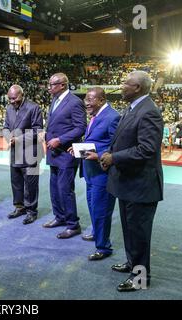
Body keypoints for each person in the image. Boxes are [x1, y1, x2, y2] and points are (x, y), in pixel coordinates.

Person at [100, 71, 163, 292]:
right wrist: (109, 153)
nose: (121, 86)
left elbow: (147, 149)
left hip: (141, 185)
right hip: (128, 183)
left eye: (125, 83)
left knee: (139, 233)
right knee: (129, 229)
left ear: (137, 87)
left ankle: (140, 278)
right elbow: (120, 140)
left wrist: (114, 158)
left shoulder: (149, 112)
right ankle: (131, 263)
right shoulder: (132, 107)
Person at [70, 87, 120, 260]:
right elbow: (96, 140)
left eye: (90, 99)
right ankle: (98, 234)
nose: (86, 103)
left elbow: (117, 147)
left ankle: (104, 248)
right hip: (91, 173)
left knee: (101, 211)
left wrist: (99, 155)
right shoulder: (96, 115)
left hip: (102, 174)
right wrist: (78, 149)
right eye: (86, 99)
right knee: (93, 208)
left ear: (101, 99)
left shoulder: (113, 117)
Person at [42, 73, 87, 238]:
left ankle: (73, 224)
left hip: (67, 153)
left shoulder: (75, 102)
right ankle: (59, 217)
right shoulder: (55, 100)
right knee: (54, 188)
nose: (49, 87)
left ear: (62, 85)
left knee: (65, 189)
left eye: (52, 84)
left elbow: (80, 127)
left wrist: (60, 140)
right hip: (54, 152)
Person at [2, 85, 43, 225]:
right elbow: (6, 127)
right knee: (16, 182)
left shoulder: (33, 107)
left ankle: (31, 211)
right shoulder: (8, 108)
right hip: (14, 153)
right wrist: (8, 136)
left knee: (31, 185)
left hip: (30, 152)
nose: (12, 101)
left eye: (15, 98)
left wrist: (18, 139)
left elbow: (38, 131)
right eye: (10, 99)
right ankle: (19, 207)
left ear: (22, 94)